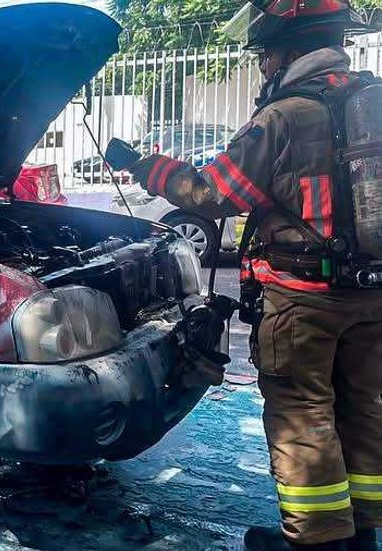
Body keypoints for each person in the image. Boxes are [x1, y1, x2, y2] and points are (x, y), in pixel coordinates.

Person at [123, 1, 381, 549]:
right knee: (364, 405)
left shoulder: (284, 116)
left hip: (301, 300)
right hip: (373, 294)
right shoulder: (372, 101)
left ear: (293, 48)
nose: (263, 66)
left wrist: (150, 168)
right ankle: (363, 533)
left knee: (303, 416)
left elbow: (211, 194)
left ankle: (315, 541)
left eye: (266, 55)